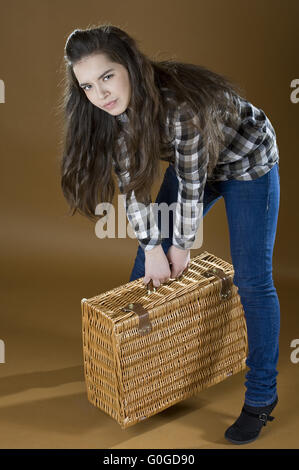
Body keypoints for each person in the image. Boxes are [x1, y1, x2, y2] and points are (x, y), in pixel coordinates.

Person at [60, 24, 280, 445]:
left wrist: (179, 246)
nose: (100, 94)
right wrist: (153, 248)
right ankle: (138, 371)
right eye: (87, 85)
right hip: (193, 164)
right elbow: (133, 191)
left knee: (253, 282)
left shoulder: (179, 107)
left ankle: (261, 397)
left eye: (107, 76)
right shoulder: (113, 115)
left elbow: (193, 186)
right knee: (149, 259)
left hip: (245, 162)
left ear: (130, 64)